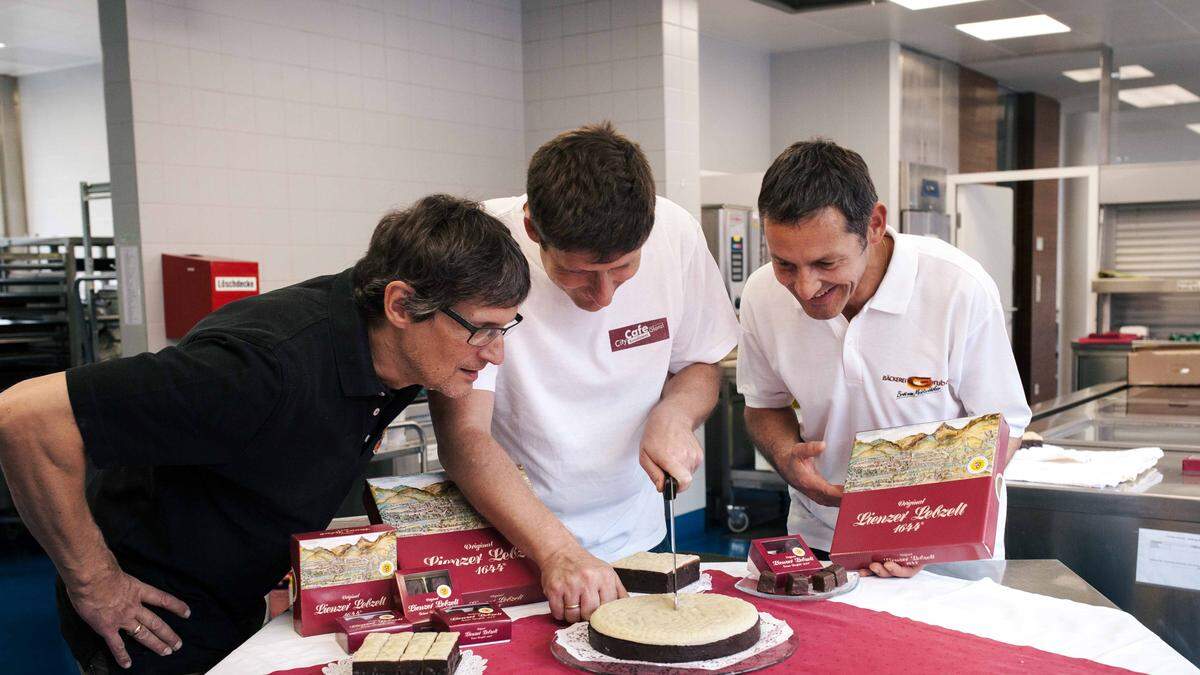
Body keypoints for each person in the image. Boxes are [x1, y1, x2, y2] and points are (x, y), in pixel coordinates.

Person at [0, 195, 530, 673]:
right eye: (481, 329)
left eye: (505, 328)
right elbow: (23, 417)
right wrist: (93, 581)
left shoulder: (391, 349)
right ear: (399, 306)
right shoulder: (258, 370)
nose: (494, 352)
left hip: (238, 597)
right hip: (151, 618)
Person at [430, 122, 739, 623]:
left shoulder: (675, 231)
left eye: (623, 269)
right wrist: (557, 551)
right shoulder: (483, 245)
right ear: (533, 230)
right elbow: (463, 436)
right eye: (577, 273)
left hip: (639, 534)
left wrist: (674, 415)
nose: (603, 298)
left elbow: (701, 364)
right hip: (515, 541)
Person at [736, 140, 1031, 578]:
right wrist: (787, 459)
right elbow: (764, 405)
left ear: (874, 224)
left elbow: (1003, 428)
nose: (804, 288)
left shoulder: (956, 287)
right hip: (822, 537)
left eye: (826, 263)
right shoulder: (762, 294)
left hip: (947, 548)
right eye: (785, 264)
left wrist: (917, 530)